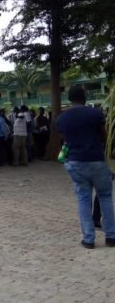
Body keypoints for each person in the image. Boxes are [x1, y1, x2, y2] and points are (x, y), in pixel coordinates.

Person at [57, 85, 115, 249]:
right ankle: (111, 237)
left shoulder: (62, 118)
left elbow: (65, 139)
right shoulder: (96, 114)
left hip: (75, 162)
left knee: (83, 199)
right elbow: (104, 136)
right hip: (96, 160)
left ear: (69, 98)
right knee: (105, 197)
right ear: (85, 97)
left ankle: (89, 239)